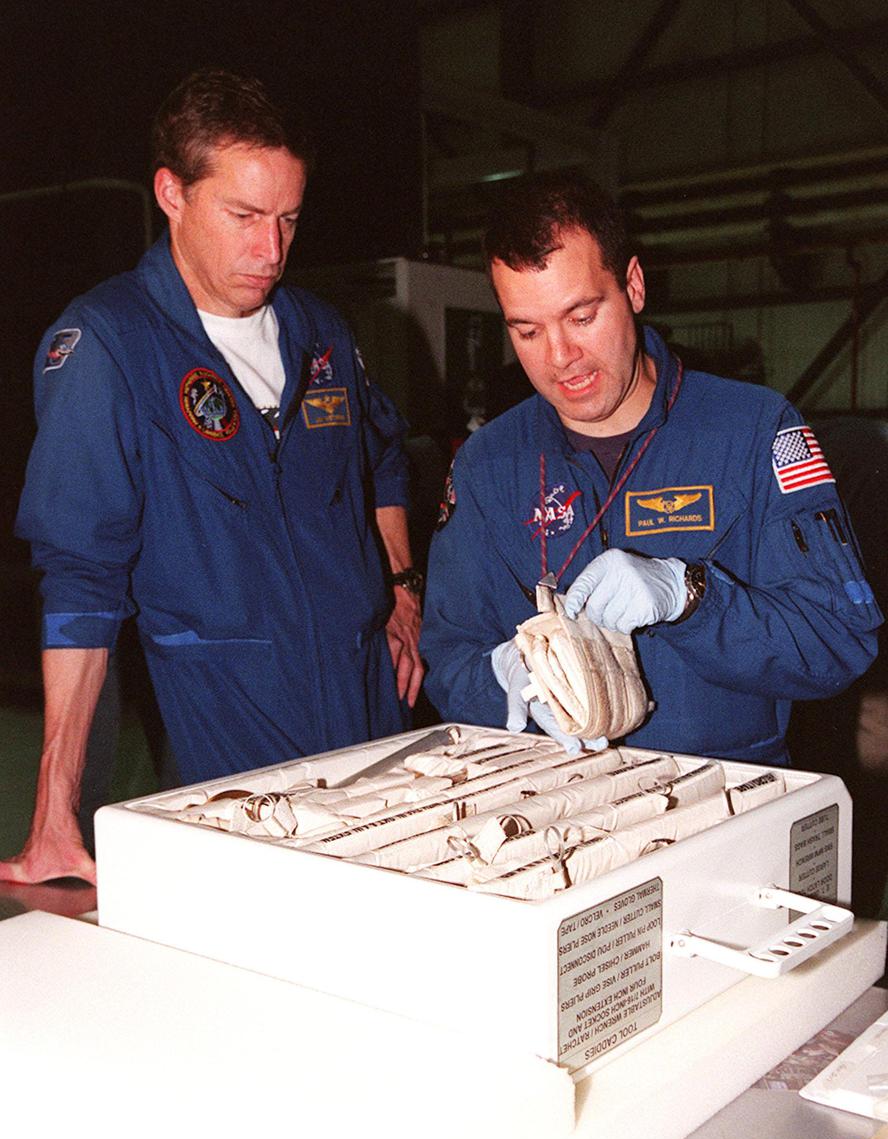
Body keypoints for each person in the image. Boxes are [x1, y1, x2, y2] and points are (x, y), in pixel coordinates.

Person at [6, 69, 423, 886]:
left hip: (375, 717)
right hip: (229, 736)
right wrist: (55, 808)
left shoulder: (320, 333)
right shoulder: (108, 346)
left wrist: (402, 585)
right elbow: (81, 584)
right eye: (243, 217)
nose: (270, 251)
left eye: (288, 220)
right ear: (171, 193)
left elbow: (381, 455)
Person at [421, 175, 881, 764]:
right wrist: (502, 683)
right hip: (557, 813)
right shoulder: (488, 465)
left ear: (633, 286)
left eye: (582, 316)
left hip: (726, 802)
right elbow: (451, 658)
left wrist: (691, 599)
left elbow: (836, 639)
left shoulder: (752, 431)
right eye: (528, 331)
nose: (560, 358)